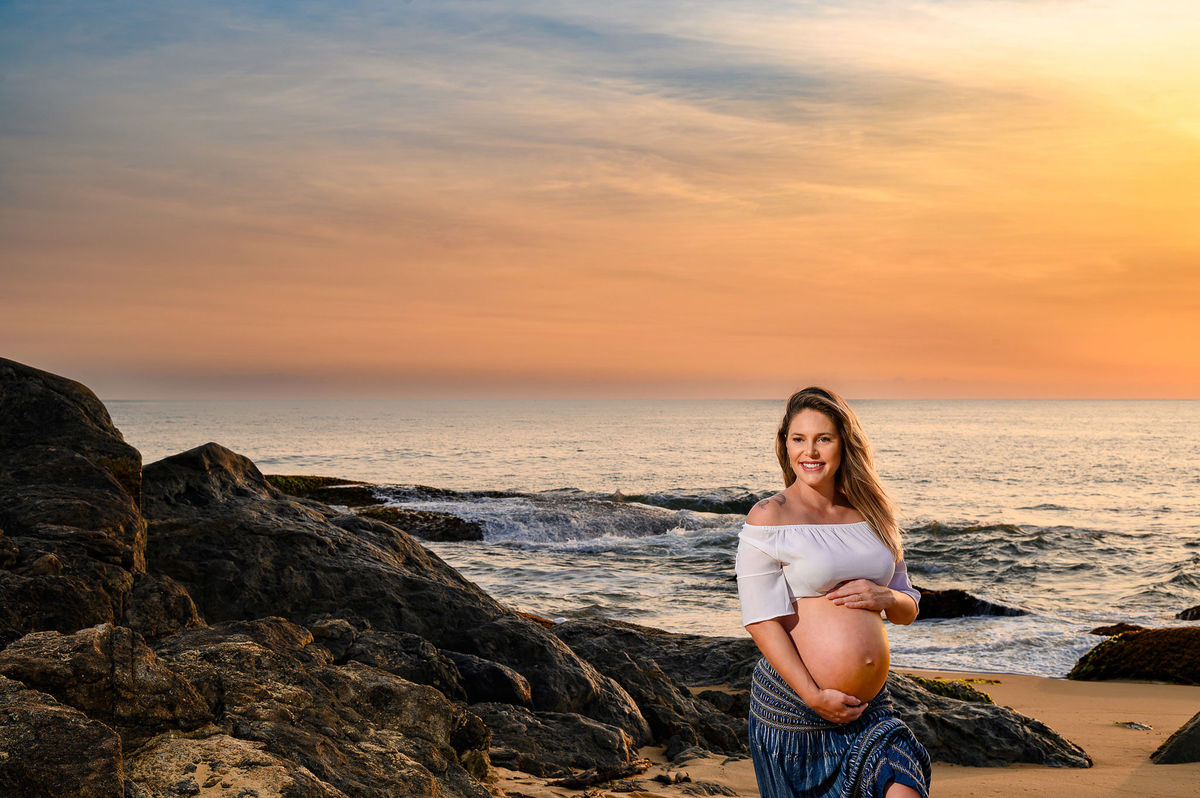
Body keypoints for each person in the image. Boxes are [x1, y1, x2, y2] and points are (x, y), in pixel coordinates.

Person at [736, 387, 931, 797]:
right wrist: (813, 696)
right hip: (795, 709)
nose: (811, 451)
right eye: (798, 439)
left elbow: (907, 606)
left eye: (823, 438)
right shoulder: (770, 516)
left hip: (870, 710)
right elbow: (761, 620)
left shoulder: (875, 512)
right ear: (784, 444)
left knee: (904, 789)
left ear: (844, 444)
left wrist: (886, 598)